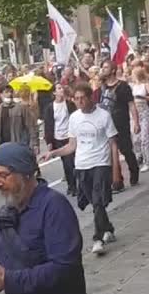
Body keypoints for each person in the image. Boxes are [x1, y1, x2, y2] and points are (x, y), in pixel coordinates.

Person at [0, 142, 87, 294]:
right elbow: (2, 267)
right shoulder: (4, 216)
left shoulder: (54, 207)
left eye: (2, 175)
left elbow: (64, 267)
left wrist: (8, 280)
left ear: (26, 174)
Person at [44, 83, 119, 255]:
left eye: (82, 98)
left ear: (90, 97)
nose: (79, 102)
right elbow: (71, 146)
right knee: (94, 202)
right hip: (82, 165)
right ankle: (108, 228)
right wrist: (53, 153)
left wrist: (116, 170)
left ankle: (98, 239)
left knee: (98, 200)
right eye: (76, 99)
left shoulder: (103, 116)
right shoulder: (74, 118)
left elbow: (113, 144)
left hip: (100, 163)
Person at [99, 60, 140, 190]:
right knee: (110, 153)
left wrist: (136, 122)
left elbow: (131, 104)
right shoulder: (103, 87)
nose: (103, 70)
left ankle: (134, 171)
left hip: (121, 122)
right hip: (106, 125)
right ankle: (117, 180)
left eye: (105, 67)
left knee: (126, 149)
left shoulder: (123, 86)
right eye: (102, 67)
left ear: (112, 70)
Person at [44, 83, 78, 195]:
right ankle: (71, 185)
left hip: (70, 136)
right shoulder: (50, 107)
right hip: (58, 138)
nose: (61, 90)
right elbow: (48, 125)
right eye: (58, 88)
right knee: (66, 163)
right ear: (54, 93)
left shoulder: (69, 104)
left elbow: (75, 118)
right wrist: (49, 142)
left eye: (62, 88)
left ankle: (75, 185)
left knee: (72, 162)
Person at [0, 86, 38, 153]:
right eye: (6, 92)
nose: (9, 94)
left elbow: (31, 126)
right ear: (1, 95)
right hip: (3, 147)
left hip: (19, 145)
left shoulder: (21, 108)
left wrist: (34, 144)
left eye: (11, 92)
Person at [130, 67, 149, 172]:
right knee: (136, 138)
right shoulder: (133, 86)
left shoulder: (145, 85)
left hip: (146, 112)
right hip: (136, 114)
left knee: (145, 138)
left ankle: (148, 161)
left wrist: (144, 98)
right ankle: (141, 155)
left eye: (133, 74)